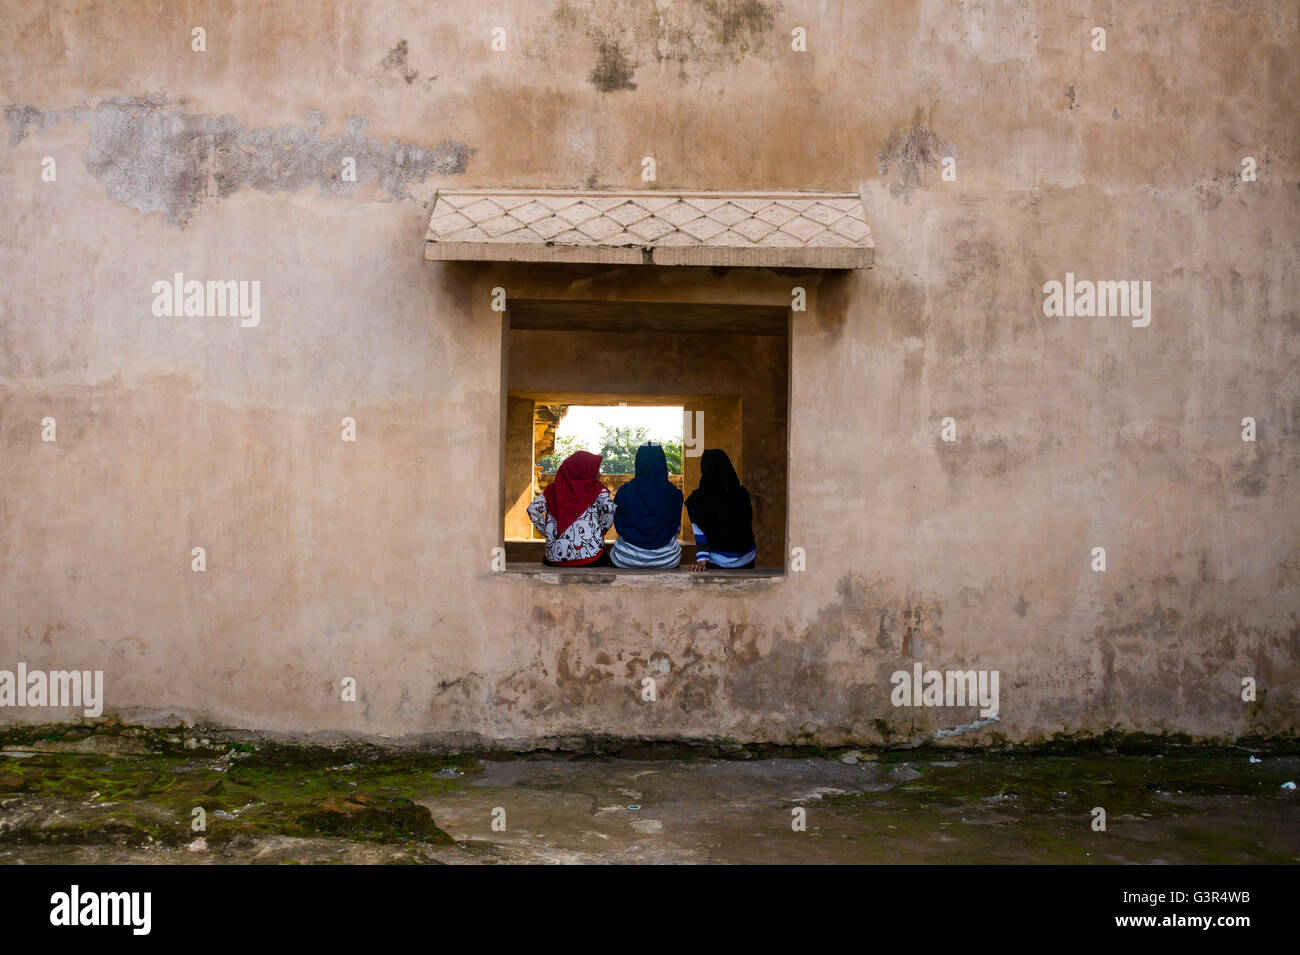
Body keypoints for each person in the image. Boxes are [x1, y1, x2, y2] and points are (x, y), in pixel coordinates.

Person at [527, 450, 615, 566]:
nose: (599, 473)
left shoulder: (552, 490)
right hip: (591, 558)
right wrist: (602, 529)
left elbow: (533, 509)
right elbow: (610, 509)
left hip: (556, 559)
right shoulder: (596, 488)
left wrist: (546, 531)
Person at [610, 443, 684, 569]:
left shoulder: (624, 492)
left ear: (638, 462)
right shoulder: (675, 494)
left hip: (626, 558)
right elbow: (675, 530)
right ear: (662, 462)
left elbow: (619, 526)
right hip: (667, 559)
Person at [685, 449, 756, 570]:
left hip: (719, 561)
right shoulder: (742, 494)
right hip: (747, 559)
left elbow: (700, 533)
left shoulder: (697, 499)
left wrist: (702, 560)